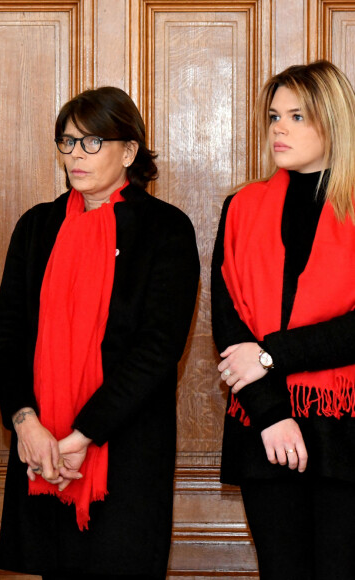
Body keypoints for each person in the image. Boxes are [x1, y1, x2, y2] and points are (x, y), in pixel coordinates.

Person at [0, 86, 200, 579]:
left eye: (91, 142)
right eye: (67, 142)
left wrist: (83, 434)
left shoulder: (164, 230)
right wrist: (26, 423)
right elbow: (7, 335)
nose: (74, 155)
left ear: (129, 151)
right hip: (41, 451)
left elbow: (157, 349)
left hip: (124, 453)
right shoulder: (37, 226)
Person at [212, 60, 355, 579]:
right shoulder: (241, 207)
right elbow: (229, 326)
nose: (279, 128)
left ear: (333, 121)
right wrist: (271, 415)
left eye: (297, 116)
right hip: (263, 426)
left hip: (346, 431)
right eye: (274, 116)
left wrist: (272, 355)